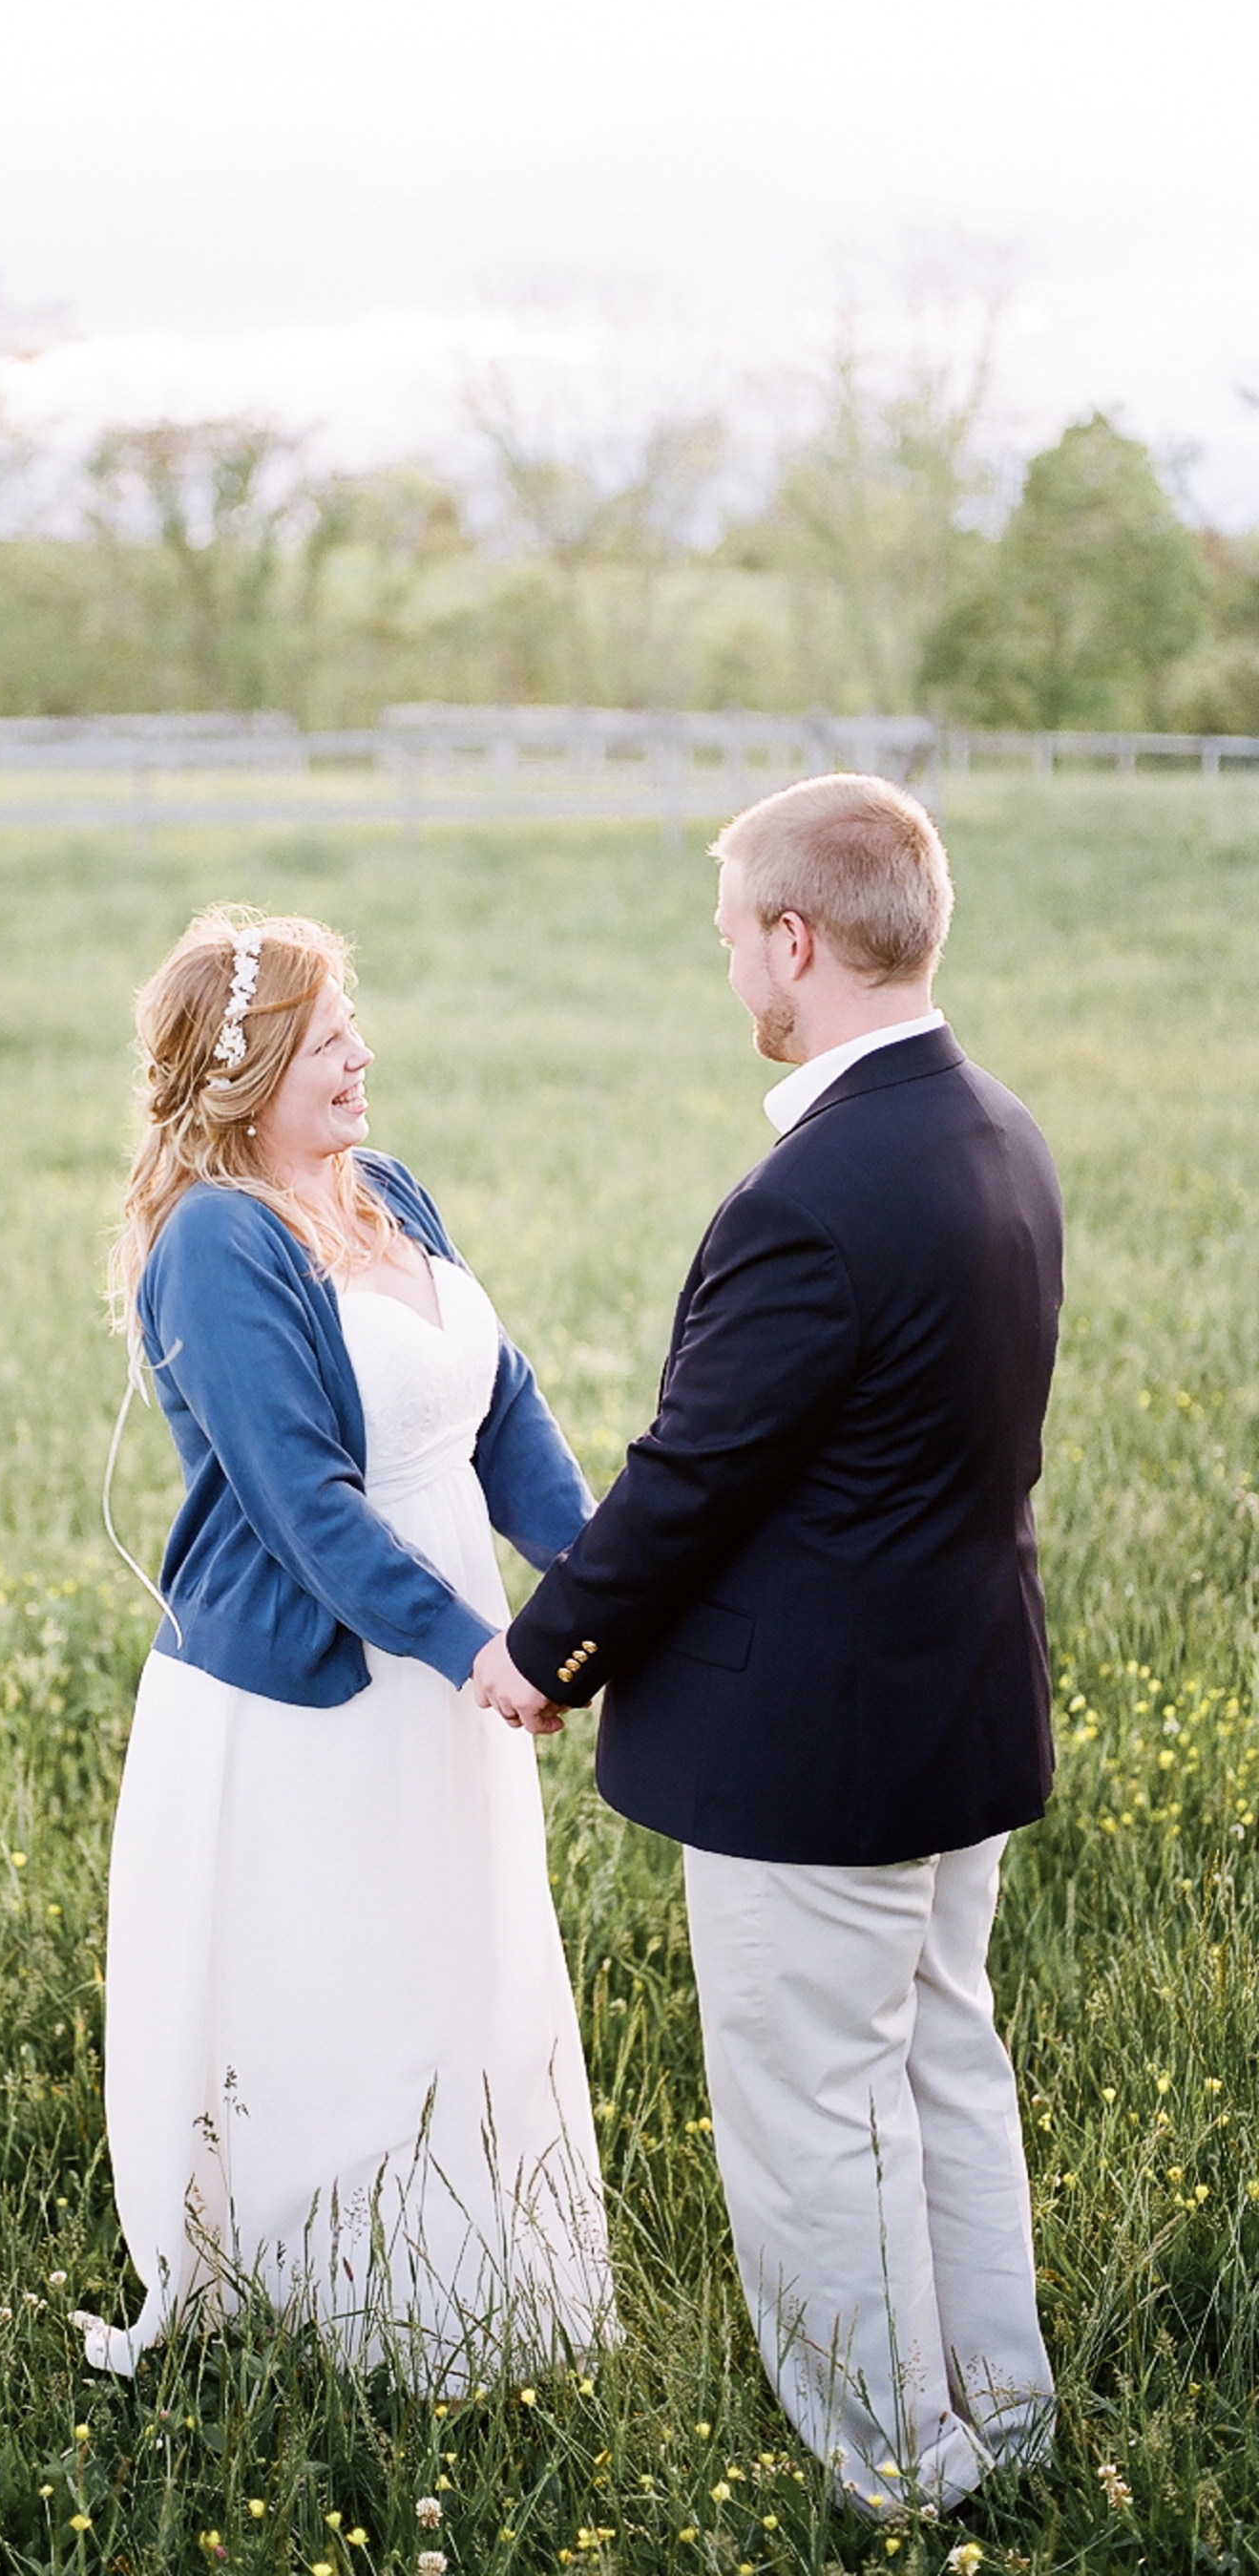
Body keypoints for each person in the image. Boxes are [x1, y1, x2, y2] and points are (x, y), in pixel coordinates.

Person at [472, 774, 1060, 2518]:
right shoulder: (998, 1131)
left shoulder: (817, 1192)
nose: (729, 963)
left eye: (735, 933)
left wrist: (546, 1650)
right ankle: (1002, 2423)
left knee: (820, 2111)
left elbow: (700, 1475)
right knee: (947, 2060)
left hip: (819, 1752)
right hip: (954, 1712)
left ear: (797, 940)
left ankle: (899, 2476)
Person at [79, 905, 614, 2386]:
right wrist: (478, 1649)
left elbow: (499, 1408)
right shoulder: (217, 1244)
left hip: (450, 1656)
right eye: (331, 1042)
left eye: (355, 1029)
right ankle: (343, 2303)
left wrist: (594, 1589)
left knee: (457, 1952)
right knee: (341, 1976)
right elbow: (305, 1504)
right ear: (250, 1070)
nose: (364, 1057)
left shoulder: (387, 1193)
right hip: (314, 1688)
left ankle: (487, 2263)